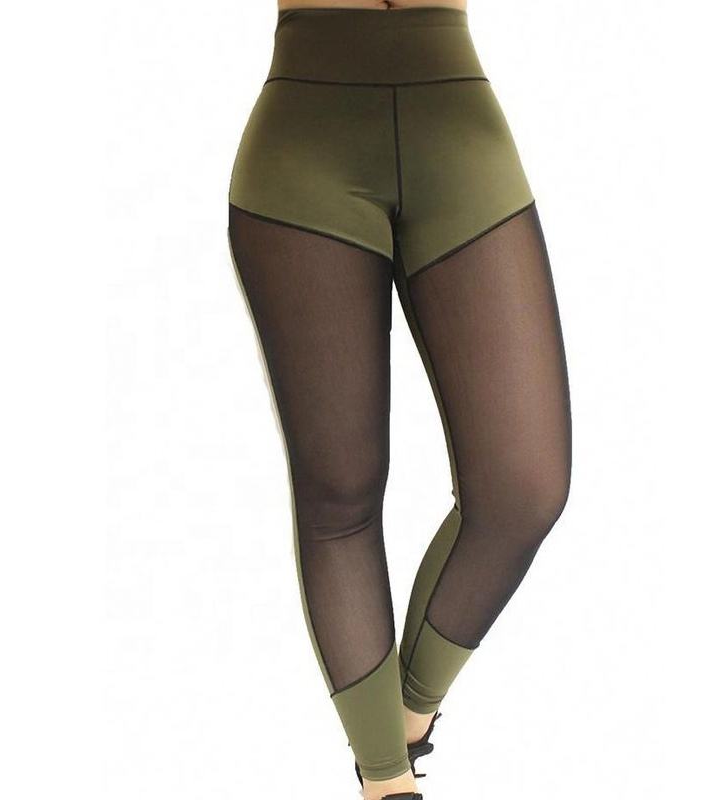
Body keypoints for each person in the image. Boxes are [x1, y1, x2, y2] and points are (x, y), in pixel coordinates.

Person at [228, 2, 571, 798]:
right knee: (340, 494)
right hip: (303, 147)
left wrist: (407, 703)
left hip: (461, 129)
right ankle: (386, 780)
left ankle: (407, 719)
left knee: (525, 488)